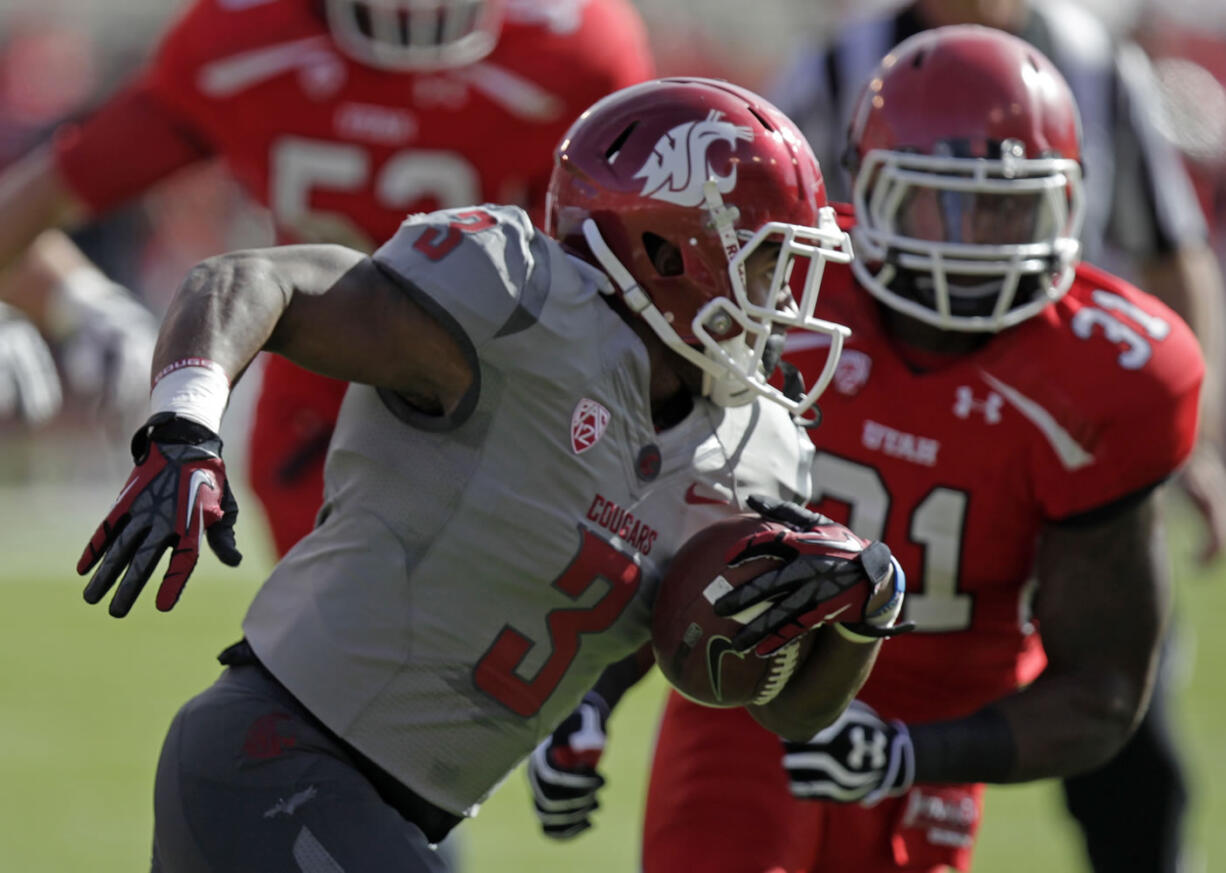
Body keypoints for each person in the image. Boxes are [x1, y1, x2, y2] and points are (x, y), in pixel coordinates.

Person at [73, 77, 910, 873]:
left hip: (392, 813)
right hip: (270, 758)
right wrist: (185, 426)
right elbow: (248, 281)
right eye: (767, 264)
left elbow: (786, 705)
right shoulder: (518, 306)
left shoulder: (755, 446)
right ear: (663, 248)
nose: (790, 299)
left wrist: (860, 611)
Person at [527, 28, 1203, 873]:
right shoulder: (785, 285)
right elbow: (667, 510)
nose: (973, 242)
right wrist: (590, 693)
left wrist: (914, 752)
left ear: (1068, 206)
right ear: (870, 191)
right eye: (938, 203)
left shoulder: (1112, 374)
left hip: (937, 722)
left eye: (1006, 207)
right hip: (753, 681)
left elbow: (1103, 692)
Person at [769, 4, 1225, 870]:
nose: (966, 238)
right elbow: (762, 220)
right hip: (863, 388)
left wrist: (1193, 445)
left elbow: (1174, 247)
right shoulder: (842, 67)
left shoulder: (1099, 62)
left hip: (1060, 413)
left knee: (1133, 756)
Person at [0, 0, 655, 556]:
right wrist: (79, 304)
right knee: (351, 678)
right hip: (324, 423)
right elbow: (35, 203)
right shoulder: (244, 39)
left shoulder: (578, 47)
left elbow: (643, 268)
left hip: (516, 413)